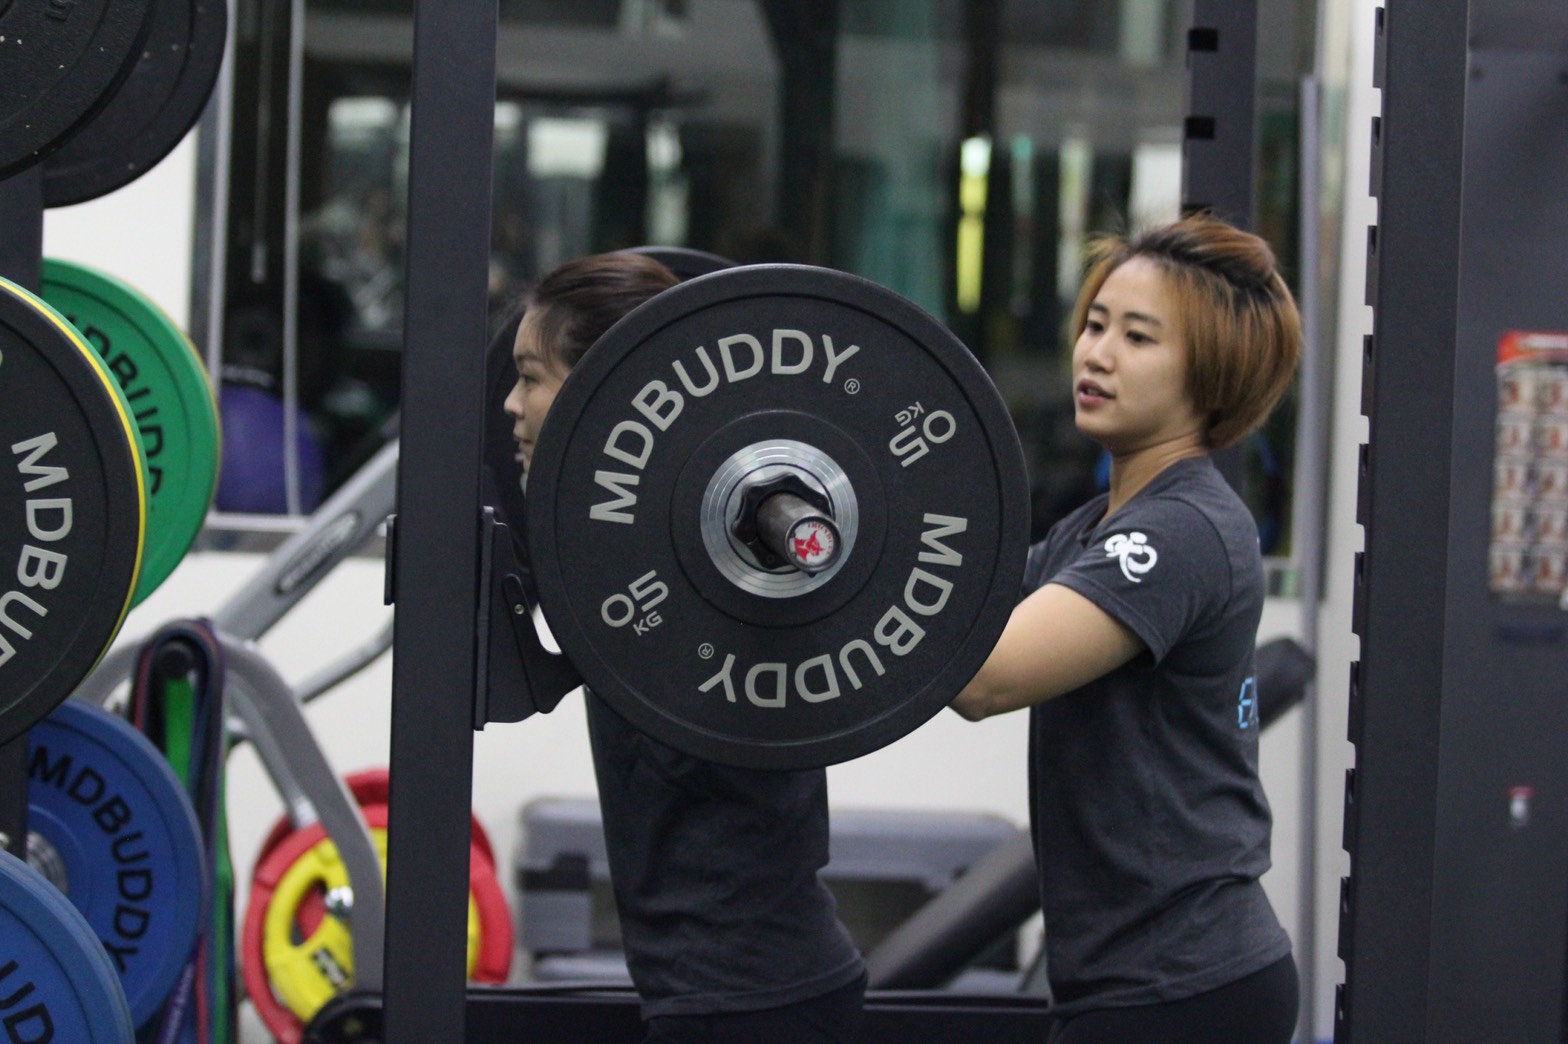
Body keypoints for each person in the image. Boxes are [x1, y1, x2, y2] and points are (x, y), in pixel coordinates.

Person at [951, 214, 1302, 1043]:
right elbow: (956, 603)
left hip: (1182, 987)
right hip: (1127, 981)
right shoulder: (1092, 532)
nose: (1095, 354)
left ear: (1210, 377)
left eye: (1137, 338)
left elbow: (982, 674)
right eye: (1096, 325)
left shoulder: (1180, 532)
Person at [502, 251, 867, 1044]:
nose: (511, 405)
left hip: (754, 1003)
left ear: (605, 394)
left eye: (531, 377)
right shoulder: (624, 563)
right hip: (713, 993)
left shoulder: (716, 572)